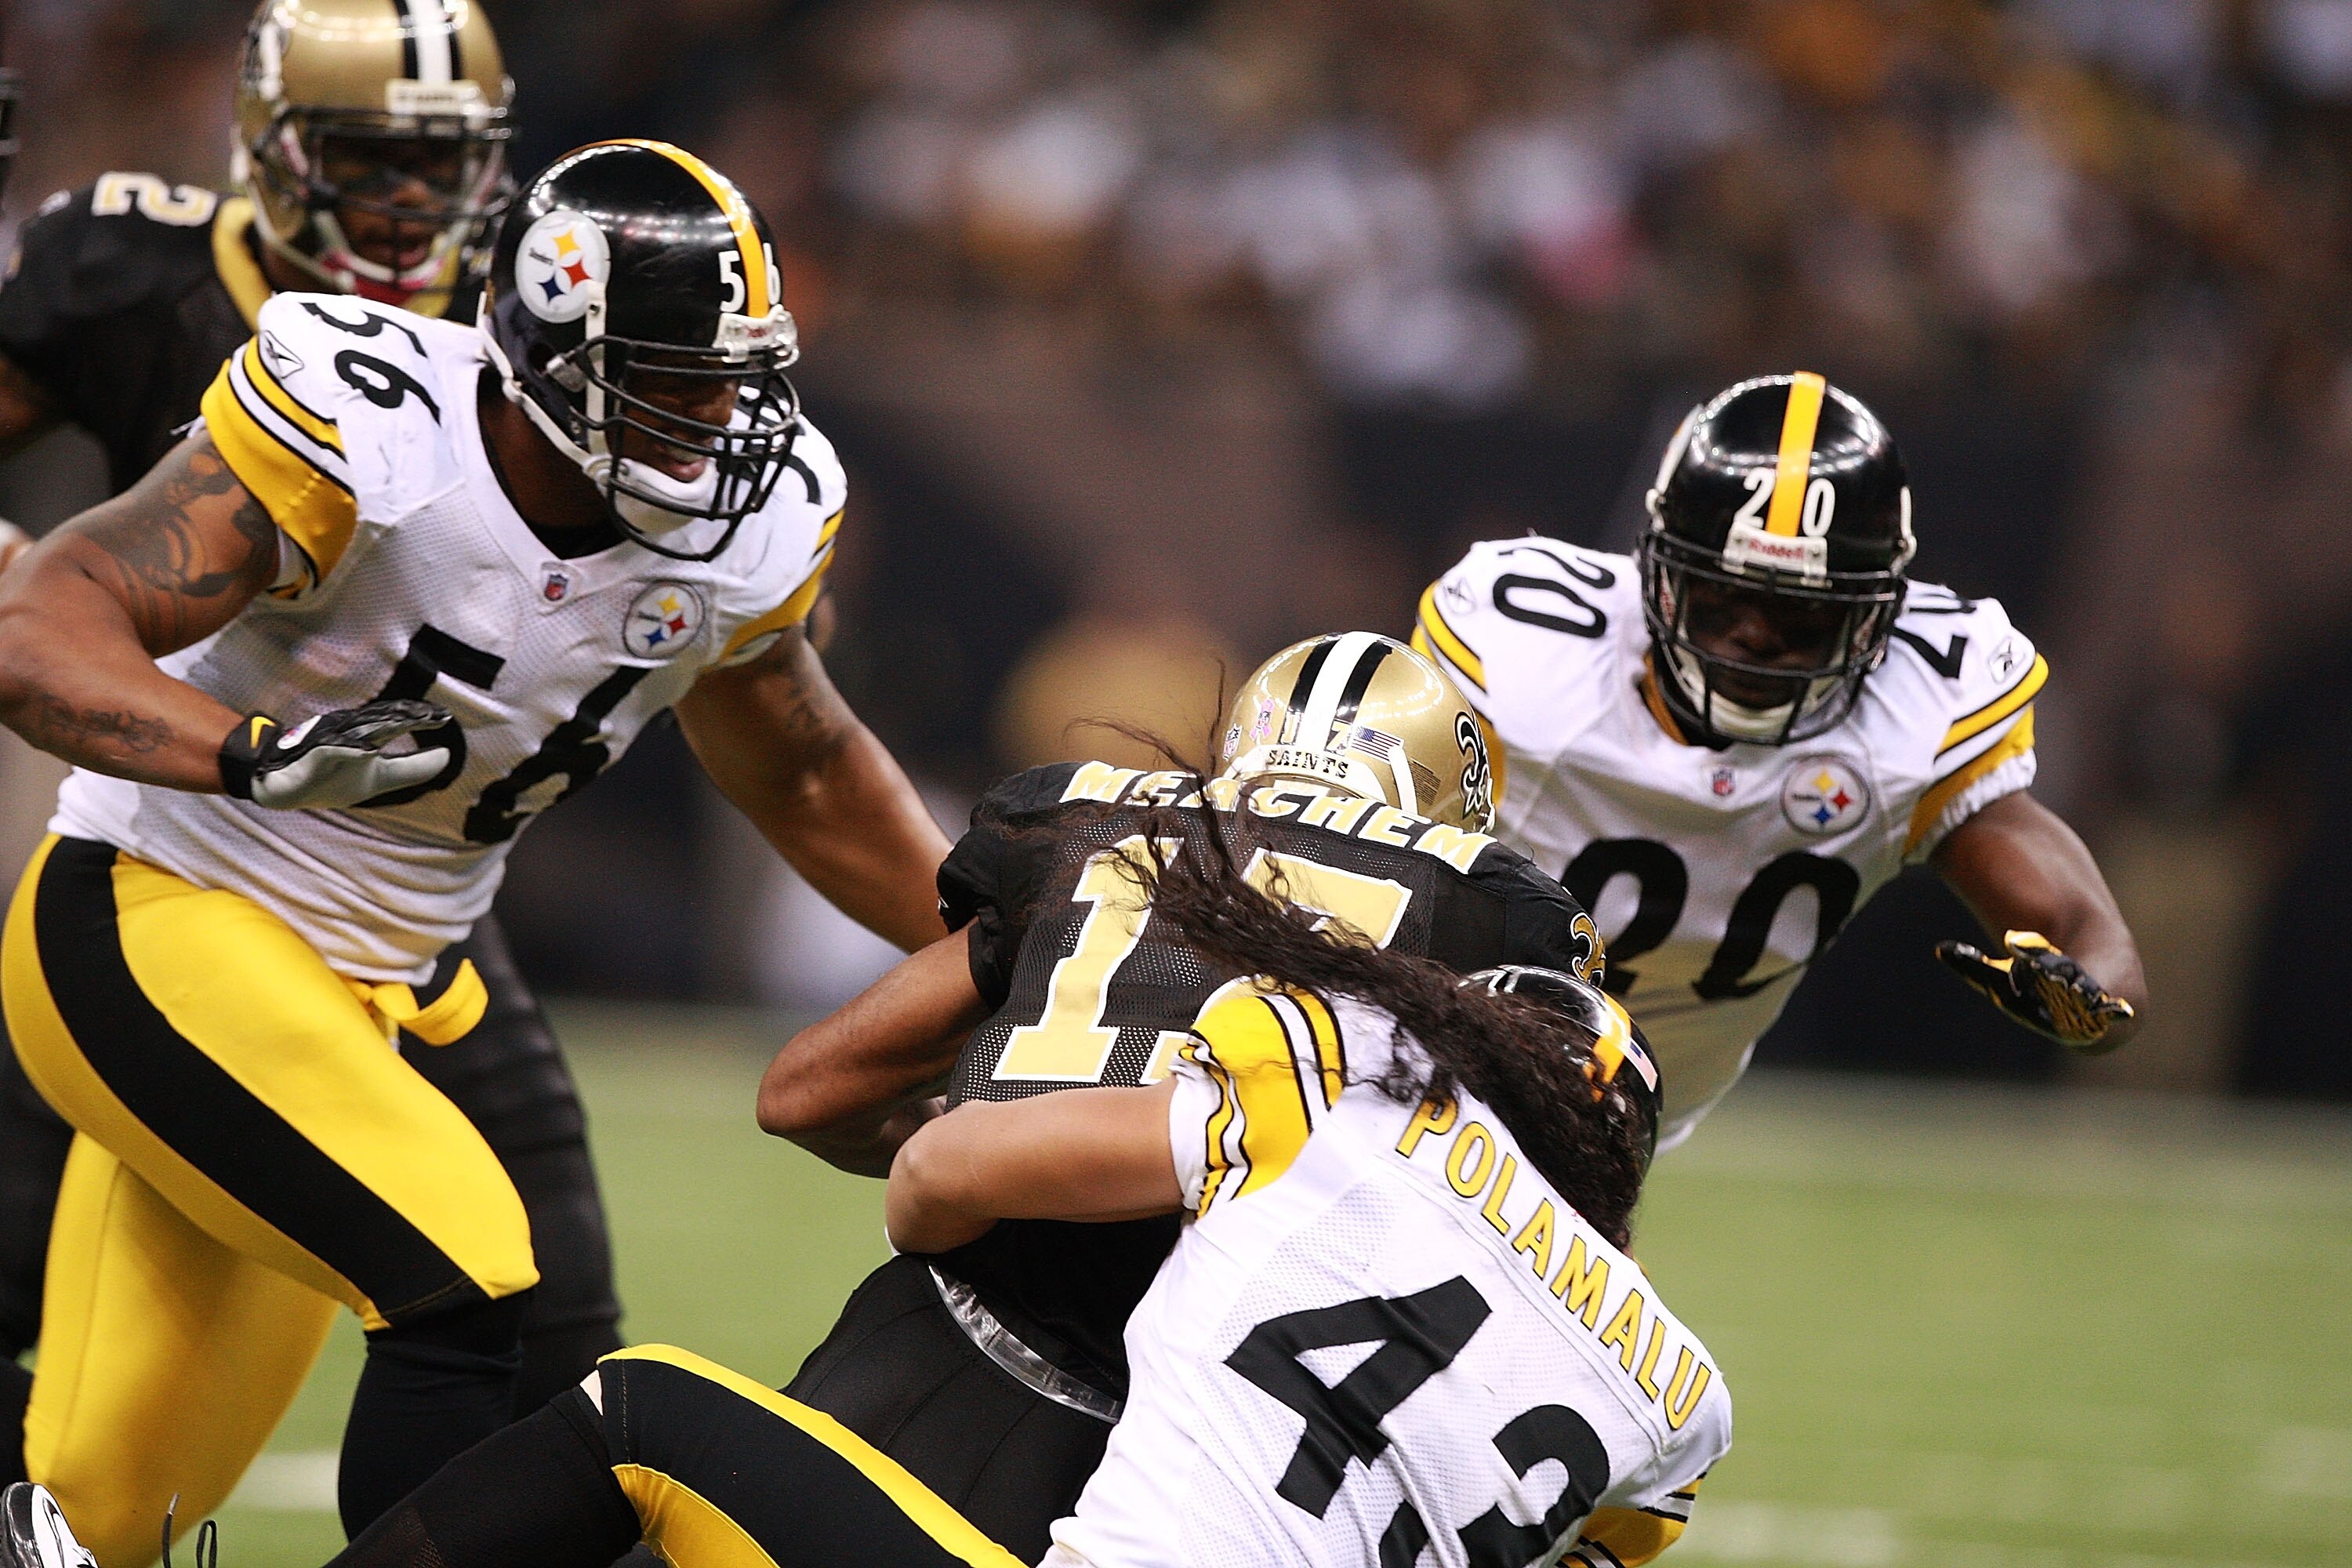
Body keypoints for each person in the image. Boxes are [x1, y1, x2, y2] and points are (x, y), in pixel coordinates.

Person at [0, 137, 949, 1564]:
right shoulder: (374, 434)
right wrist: (247, 754)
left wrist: (986, 946)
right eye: (675, 379)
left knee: (103, 1513)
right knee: (466, 1274)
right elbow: (46, 619)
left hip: (359, 995)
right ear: (551, 354)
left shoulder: (742, 533)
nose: (718, 420)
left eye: (737, 379)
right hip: (154, 916)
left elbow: (805, 769)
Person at [0, 787, 1725, 1568]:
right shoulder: (1673, 1384)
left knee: (641, 1413)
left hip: (983, 1420)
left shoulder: (1329, 1116)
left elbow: (930, 1163)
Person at [0, 0, 633, 1451]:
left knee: (555, 1312)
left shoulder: (527, 311)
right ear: (273, 147)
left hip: (397, 882)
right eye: (368, 154)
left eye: (444, 160)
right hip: (159, 833)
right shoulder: (128, 266)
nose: (411, 199)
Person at [755, 633, 1607, 1560]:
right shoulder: (1483, 916)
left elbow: (803, 1092)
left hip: (923, 1343)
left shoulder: (1092, 827)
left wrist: (1013, 1139)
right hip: (1205, 1452)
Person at [1411, 372, 2148, 1149]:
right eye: (1723, 598)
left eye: (1800, 613)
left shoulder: (1918, 711)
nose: (1757, 635)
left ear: (1874, 618)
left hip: (1608, 1129)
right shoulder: (1528, 654)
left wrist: (2093, 996)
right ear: (1660, 574)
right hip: (1419, 1047)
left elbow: (2082, 928)